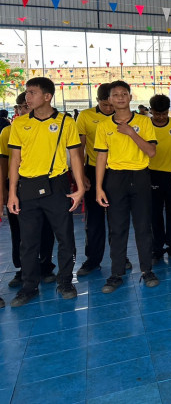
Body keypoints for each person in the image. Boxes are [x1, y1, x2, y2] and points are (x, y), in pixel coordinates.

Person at [7, 77, 85, 307]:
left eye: (32, 92)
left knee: (65, 238)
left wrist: (80, 188)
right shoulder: (19, 124)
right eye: (26, 93)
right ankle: (29, 286)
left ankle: (65, 282)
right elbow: (15, 160)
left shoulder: (65, 122)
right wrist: (12, 193)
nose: (27, 97)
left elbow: (76, 157)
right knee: (28, 242)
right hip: (27, 187)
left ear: (47, 96)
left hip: (57, 185)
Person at [95, 81, 160, 293]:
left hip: (140, 176)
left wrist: (131, 132)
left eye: (124, 94)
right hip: (115, 179)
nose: (121, 97)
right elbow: (101, 158)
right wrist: (99, 187)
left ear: (131, 97)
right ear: (109, 99)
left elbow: (151, 152)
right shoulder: (103, 126)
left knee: (143, 226)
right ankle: (116, 273)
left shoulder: (144, 121)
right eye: (116, 95)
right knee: (117, 227)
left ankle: (147, 270)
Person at [0, 92, 56, 290]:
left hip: (44, 184)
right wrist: (5, 190)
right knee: (19, 231)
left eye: (28, 106)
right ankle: (23, 269)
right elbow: (4, 163)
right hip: (18, 186)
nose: (25, 110)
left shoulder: (47, 128)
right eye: (22, 107)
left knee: (46, 227)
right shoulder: (8, 131)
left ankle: (46, 266)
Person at [76, 83, 120, 276]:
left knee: (117, 218)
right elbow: (79, 147)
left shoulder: (123, 116)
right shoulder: (86, 116)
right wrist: (81, 175)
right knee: (94, 219)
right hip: (94, 170)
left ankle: (120, 257)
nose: (109, 109)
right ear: (98, 101)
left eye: (111, 105)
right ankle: (92, 259)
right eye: (105, 105)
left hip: (118, 171)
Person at [148, 94, 171, 264]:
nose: (161, 117)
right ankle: (156, 249)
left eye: (164, 114)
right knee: (154, 214)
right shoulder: (146, 125)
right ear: (151, 111)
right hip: (152, 174)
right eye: (157, 114)